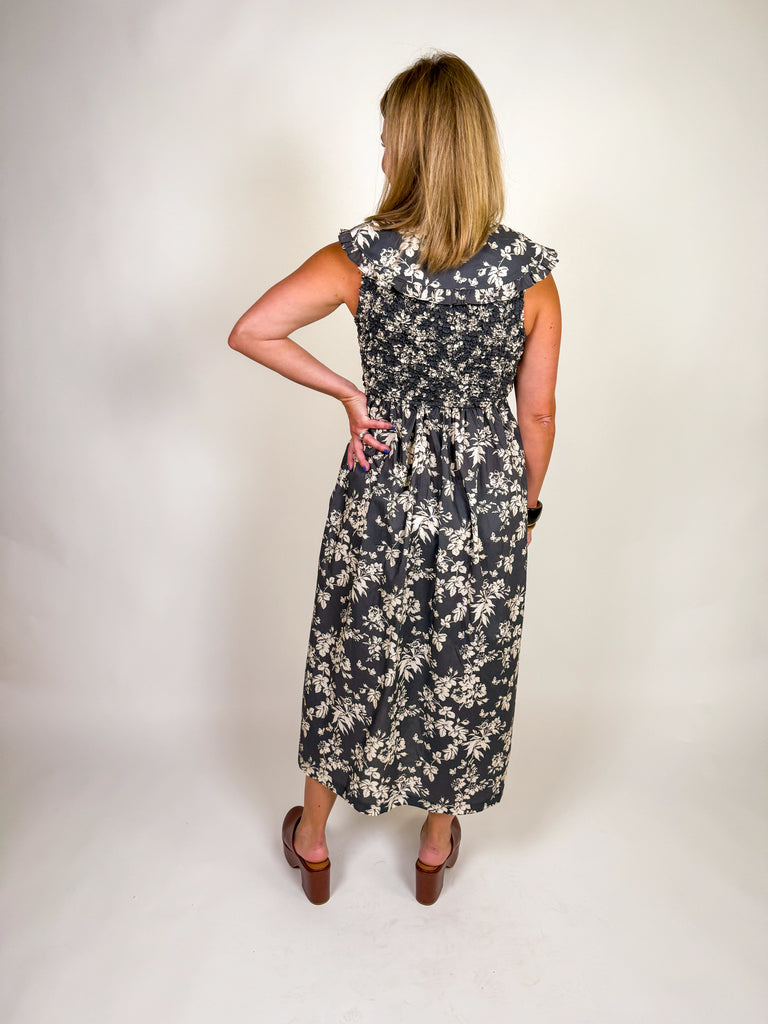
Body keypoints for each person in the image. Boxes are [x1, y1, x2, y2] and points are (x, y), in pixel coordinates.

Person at [228, 51, 562, 906]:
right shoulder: (529, 275)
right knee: (466, 661)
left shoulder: (362, 259)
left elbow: (254, 329)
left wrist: (350, 392)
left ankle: (312, 837)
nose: (380, 155)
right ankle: (435, 843)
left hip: (383, 491)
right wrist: (522, 506)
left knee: (353, 654)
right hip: (484, 501)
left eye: (387, 140)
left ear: (414, 150)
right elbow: (538, 415)